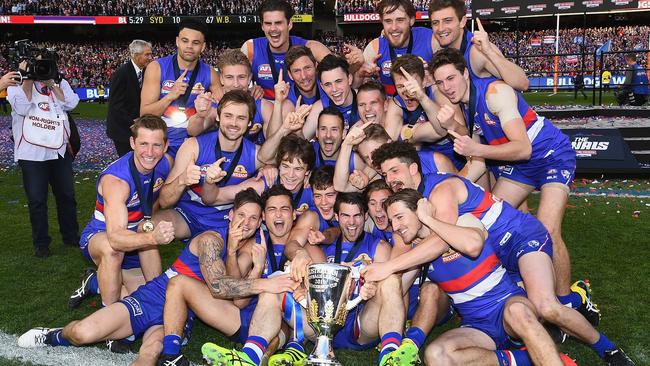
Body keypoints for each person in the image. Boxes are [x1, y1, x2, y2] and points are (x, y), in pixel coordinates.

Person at [371, 141, 635, 365]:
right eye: (385, 175)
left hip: (519, 236)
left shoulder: (437, 192)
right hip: (496, 255)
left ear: (414, 168)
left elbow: (443, 241)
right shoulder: (412, 214)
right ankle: (562, 316)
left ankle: (607, 348)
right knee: (443, 348)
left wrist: (390, 265)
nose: (390, 179)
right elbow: (405, 270)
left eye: (395, 170)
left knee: (544, 305)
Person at [429, 48, 600, 324]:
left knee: (548, 228)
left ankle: (571, 301)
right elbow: (478, 162)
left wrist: (476, 147)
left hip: (549, 155)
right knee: (490, 224)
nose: (447, 87)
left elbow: (522, 148)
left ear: (464, 73)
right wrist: (446, 185)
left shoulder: (495, 93)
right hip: (520, 167)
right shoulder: (466, 105)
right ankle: (518, 290)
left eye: (451, 78)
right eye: (440, 82)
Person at [203, 192, 417, 366]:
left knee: (389, 280)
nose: (351, 223)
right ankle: (250, 357)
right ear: (336, 217)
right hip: (317, 327)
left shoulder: (378, 247)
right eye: (345, 216)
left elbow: (395, 290)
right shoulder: (320, 243)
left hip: (359, 323)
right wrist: (302, 278)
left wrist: (371, 288)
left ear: (365, 217)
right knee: (273, 286)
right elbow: (297, 251)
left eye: (357, 216)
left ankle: (391, 356)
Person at [369, 188, 566, 366]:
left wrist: (428, 219)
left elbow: (472, 246)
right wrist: (372, 287)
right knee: (436, 355)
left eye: (399, 217)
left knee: (517, 313)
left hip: (507, 305)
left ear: (418, 211)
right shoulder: (416, 254)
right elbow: (395, 288)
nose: (395, 226)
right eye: (392, 220)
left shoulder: (462, 221)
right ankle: (522, 359)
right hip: (477, 326)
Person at [156, 188, 298, 366]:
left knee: (279, 324)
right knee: (178, 283)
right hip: (242, 317)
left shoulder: (301, 242)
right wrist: (248, 263)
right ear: (265, 217)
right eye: (272, 210)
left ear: (294, 214)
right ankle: (170, 356)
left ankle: (255, 359)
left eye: (284, 209)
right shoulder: (254, 244)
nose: (278, 215)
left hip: (280, 323)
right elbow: (239, 301)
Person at [70, 115, 174, 312]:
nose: (150, 152)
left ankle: (94, 282)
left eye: (156, 145)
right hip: (102, 236)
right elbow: (116, 238)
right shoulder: (116, 181)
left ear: (166, 146)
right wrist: (153, 236)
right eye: (143, 144)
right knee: (113, 250)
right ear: (132, 143)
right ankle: (108, 319)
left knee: (149, 301)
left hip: (137, 237)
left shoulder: (165, 163)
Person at [8, 63, 79, 258]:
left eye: (44, 64)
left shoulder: (59, 82)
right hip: (31, 153)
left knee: (66, 196)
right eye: (36, 64)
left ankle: (71, 237)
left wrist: (52, 83)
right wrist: (29, 79)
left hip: (58, 151)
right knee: (37, 200)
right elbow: (22, 107)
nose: (40, 68)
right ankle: (41, 243)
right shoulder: (16, 83)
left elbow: (71, 104)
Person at [140, 19, 220, 156]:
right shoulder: (156, 68)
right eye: (185, 41)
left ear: (203, 47)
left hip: (194, 141)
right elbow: (145, 114)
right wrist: (170, 96)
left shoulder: (210, 73)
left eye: (195, 43)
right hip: (163, 141)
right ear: (177, 41)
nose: (189, 46)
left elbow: (224, 104)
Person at [428, 0, 529, 91]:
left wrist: (489, 52)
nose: (440, 28)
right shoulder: (440, 50)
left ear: (462, 22)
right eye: (435, 23)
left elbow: (523, 84)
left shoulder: (477, 51)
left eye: (447, 21)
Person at [241, 0, 331, 100]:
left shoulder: (311, 48)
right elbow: (226, 77)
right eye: (268, 23)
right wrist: (248, 90)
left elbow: (341, 73)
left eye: (278, 23)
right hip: (269, 112)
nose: (273, 28)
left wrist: (352, 65)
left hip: (305, 110)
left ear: (289, 24)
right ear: (262, 26)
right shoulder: (250, 48)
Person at [361, 0, 438, 96]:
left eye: (400, 20)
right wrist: (360, 73)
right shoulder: (375, 48)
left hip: (427, 105)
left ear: (412, 20)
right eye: (388, 21)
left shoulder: (431, 40)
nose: (394, 27)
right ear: (382, 21)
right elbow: (356, 85)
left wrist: (434, 79)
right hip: (392, 105)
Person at [107, 39, 153, 157]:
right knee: (128, 162)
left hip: (137, 127)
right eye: (147, 54)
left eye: (150, 54)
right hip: (122, 129)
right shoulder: (122, 73)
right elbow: (115, 104)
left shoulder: (146, 72)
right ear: (136, 55)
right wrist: (132, 121)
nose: (150, 57)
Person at [303, 55, 359, 139]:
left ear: (349, 79)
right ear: (322, 86)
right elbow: (301, 141)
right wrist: (294, 129)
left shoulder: (364, 99)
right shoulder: (319, 108)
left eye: (338, 81)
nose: (334, 89)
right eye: (328, 84)